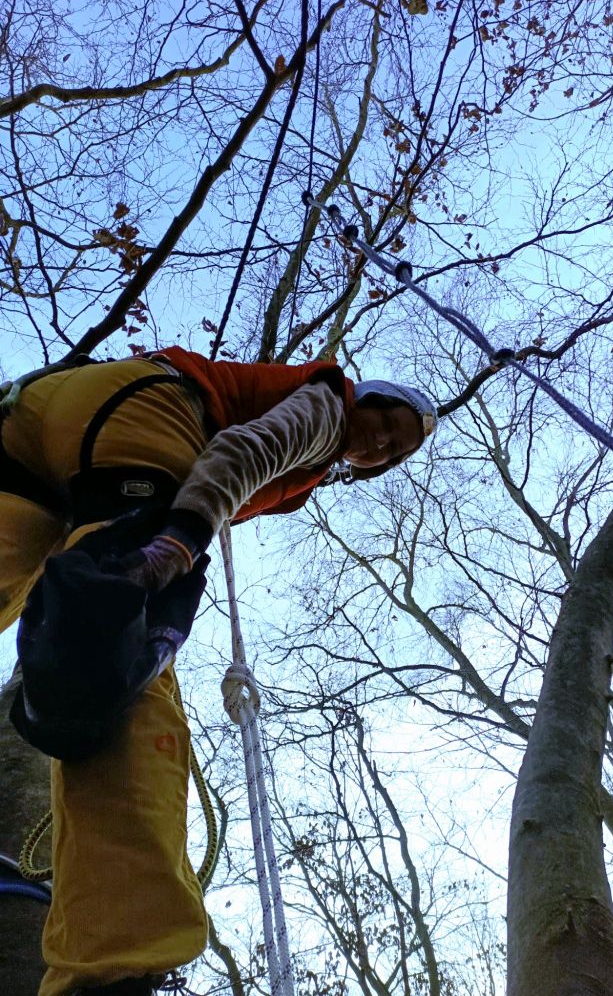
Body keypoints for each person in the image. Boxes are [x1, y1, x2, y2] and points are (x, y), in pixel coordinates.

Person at [0, 346, 437, 996]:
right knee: (123, 647)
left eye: (392, 451)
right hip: (141, 417)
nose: (379, 444)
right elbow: (246, 453)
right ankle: (118, 956)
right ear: (365, 398)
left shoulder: (313, 445)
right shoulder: (326, 405)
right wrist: (181, 536)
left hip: (38, 422)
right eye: (386, 423)